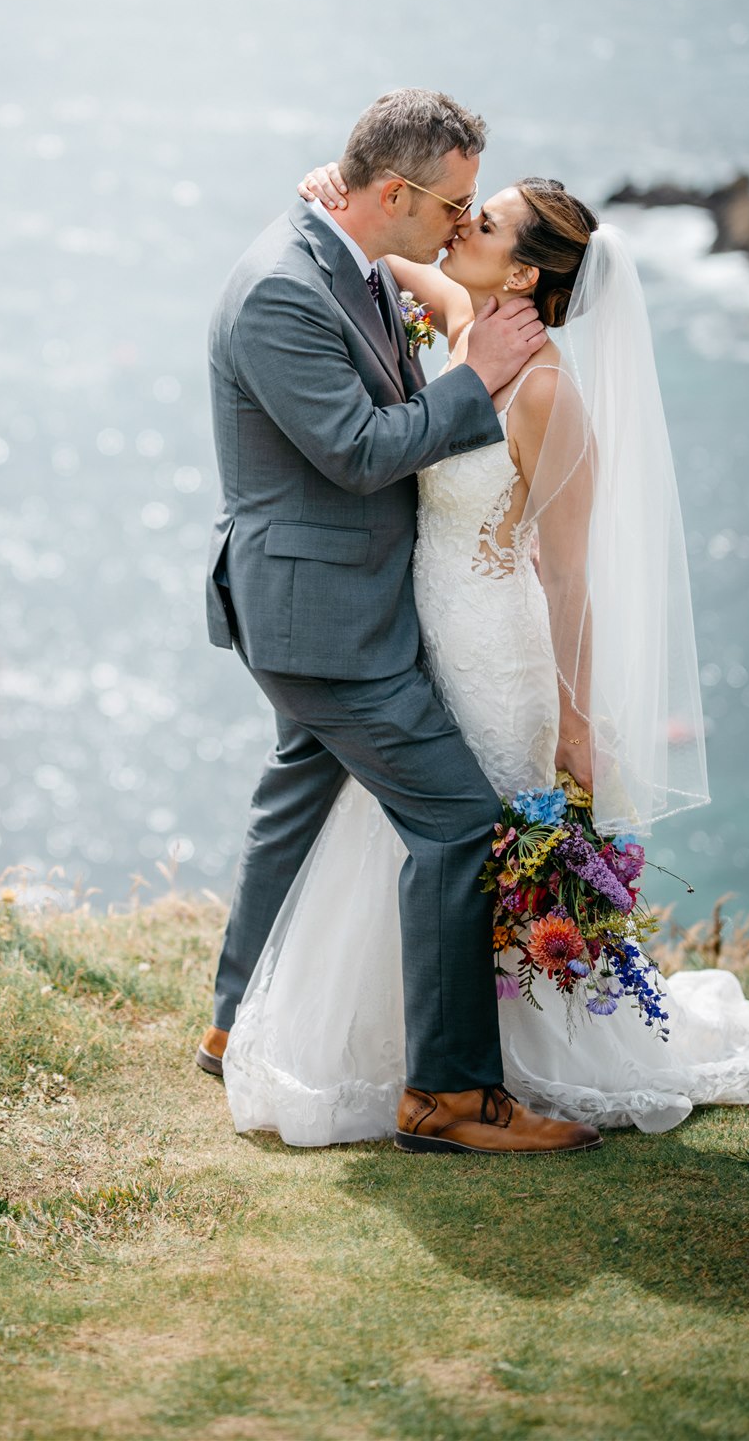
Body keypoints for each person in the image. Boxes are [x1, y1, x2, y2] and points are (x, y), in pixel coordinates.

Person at [215, 159, 749, 1145]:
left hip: (494, 654)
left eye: (481, 220)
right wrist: (341, 197)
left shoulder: (546, 394)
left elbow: (569, 578)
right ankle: (403, 1057)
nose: (460, 225)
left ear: (524, 276)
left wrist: (578, 719)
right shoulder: (474, 338)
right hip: (414, 640)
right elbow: (416, 276)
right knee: (401, 835)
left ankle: (494, 1070)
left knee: (463, 842)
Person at [200, 88, 603, 1154]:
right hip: (324, 618)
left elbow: (409, 279)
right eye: (456, 203)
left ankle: (228, 1013)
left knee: (300, 790)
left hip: (373, 607)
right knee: (460, 825)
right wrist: (474, 377)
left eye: (483, 212)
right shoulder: (286, 291)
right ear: (394, 193)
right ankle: (450, 1096)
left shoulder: (356, 259)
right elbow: (361, 450)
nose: (463, 223)